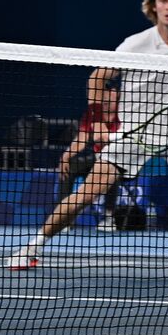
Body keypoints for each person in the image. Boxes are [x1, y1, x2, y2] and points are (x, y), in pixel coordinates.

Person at [7, 0, 168, 273]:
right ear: (153, 7)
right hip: (134, 133)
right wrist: (97, 122)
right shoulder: (135, 44)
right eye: (163, 1)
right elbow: (97, 77)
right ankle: (30, 248)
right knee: (86, 193)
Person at [57, 91, 122, 231]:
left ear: (117, 96)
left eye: (108, 96)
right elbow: (82, 139)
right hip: (96, 157)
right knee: (69, 167)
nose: (104, 99)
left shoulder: (126, 114)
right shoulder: (93, 113)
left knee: (114, 168)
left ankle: (109, 217)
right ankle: (64, 218)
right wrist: (66, 156)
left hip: (119, 159)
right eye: (102, 97)